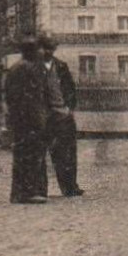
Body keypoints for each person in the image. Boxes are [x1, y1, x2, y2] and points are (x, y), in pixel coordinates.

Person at [2, 38, 52, 204]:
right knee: (31, 154)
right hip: (29, 119)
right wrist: (39, 118)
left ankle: (21, 192)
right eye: (39, 49)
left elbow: (10, 96)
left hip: (22, 119)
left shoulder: (16, 68)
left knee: (23, 155)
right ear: (32, 51)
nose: (42, 52)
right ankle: (30, 192)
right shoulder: (29, 69)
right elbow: (32, 98)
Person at [41, 34, 83, 197]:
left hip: (63, 116)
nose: (48, 51)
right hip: (44, 117)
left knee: (67, 153)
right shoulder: (34, 68)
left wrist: (69, 108)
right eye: (45, 48)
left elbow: (70, 89)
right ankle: (39, 190)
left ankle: (70, 187)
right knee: (41, 154)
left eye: (51, 48)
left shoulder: (61, 66)